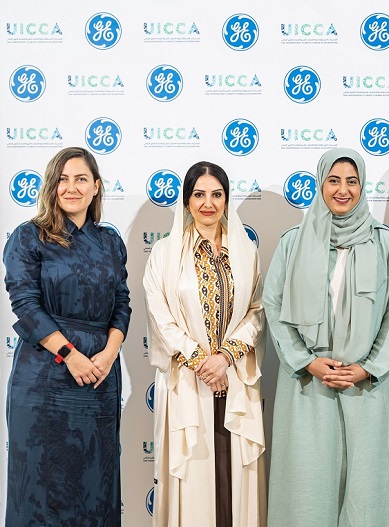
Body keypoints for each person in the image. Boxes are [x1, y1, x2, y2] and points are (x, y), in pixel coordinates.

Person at [263, 147, 389, 526]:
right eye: (333, 180)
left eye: (352, 181)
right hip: (308, 386)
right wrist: (307, 361)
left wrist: (369, 366)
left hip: (370, 387)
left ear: (362, 186)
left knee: (371, 495)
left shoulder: (386, 243)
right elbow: (273, 305)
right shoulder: (293, 242)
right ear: (320, 184)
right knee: (308, 493)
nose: (343, 190)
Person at [3, 147, 131, 526]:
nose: (71, 187)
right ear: (51, 186)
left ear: (96, 187)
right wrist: (69, 354)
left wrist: (110, 353)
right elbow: (25, 304)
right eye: (62, 179)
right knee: (42, 488)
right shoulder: (29, 237)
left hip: (100, 377)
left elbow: (122, 303)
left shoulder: (110, 242)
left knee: (95, 483)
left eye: (80, 179)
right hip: (45, 377)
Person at [143, 161, 265, 527]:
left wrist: (225, 357)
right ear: (186, 201)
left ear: (227, 200)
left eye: (216, 194)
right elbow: (160, 317)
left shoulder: (246, 252)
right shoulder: (164, 253)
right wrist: (201, 361)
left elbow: (257, 312)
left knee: (235, 480)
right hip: (188, 380)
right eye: (199, 194)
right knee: (193, 479)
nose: (208, 203)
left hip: (235, 378)